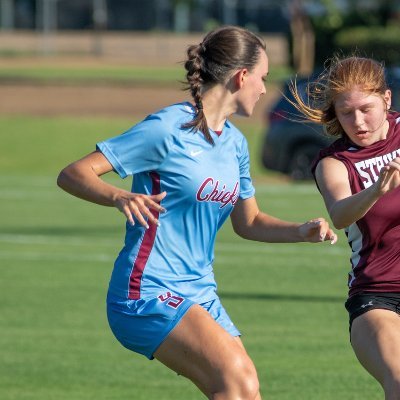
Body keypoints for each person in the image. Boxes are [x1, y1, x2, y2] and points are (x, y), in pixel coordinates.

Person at [57, 25, 337, 400]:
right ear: (241, 77)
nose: (264, 88)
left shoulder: (235, 143)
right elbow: (73, 173)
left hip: (200, 292)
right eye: (263, 78)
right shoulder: (166, 128)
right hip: (147, 291)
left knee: (245, 389)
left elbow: (249, 222)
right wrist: (119, 197)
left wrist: (300, 231)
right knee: (235, 378)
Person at [291, 55, 400, 400]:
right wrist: (376, 190)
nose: (358, 122)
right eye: (346, 113)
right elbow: (340, 214)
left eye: (366, 109)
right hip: (379, 295)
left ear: (386, 99)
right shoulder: (334, 163)